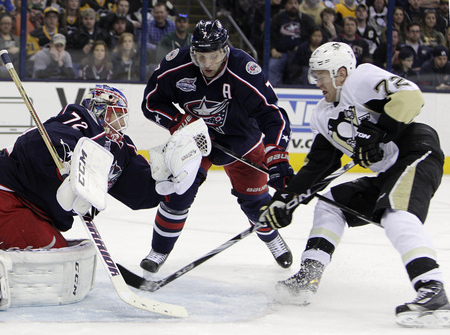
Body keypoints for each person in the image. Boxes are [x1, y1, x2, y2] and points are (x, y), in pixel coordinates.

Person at [259, 41, 449, 328]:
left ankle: (432, 289)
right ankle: (309, 275)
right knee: (331, 203)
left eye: (322, 74)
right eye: (315, 75)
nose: (317, 82)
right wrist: (286, 200)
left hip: (417, 151)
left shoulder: (361, 79)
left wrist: (377, 133)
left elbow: (412, 98)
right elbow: (319, 167)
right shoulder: (323, 115)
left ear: (342, 72)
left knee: (395, 212)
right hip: (389, 171)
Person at [0, 85, 160, 309]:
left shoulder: (119, 150)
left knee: (58, 251)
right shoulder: (80, 120)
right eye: (116, 114)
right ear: (99, 109)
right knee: (47, 254)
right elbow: (39, 144)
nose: (120, 123)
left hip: (24, 205)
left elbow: (140, 194)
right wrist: (69, 162)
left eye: (123, 117)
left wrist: (170, 182)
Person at [140, 19, 294, 275]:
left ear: (225, 50)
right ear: (192, 52)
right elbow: (150, 103)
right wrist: (180, 121)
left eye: (214, 56)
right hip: (195, 141)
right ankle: (158, 251)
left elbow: (273, 116)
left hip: (243, 143)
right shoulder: (176, 66)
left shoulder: (243, 69)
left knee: (256, 203)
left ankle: (273, 240)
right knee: (178, 195)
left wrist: (277, 158)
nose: (207, 64)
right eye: (201, 57)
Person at [269, 0, 317, 86]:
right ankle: (273, 91)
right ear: (285, 5)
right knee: (273, 66)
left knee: (307, 69)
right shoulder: (278, 18)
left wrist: (303, 48)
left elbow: (314, 34)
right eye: (290, 3)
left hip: (300, 55)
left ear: (299, 5)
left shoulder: (306, 19)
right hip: (281, 53)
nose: (293, 6)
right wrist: (273, 50)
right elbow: (270, 36)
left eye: (295, 3)